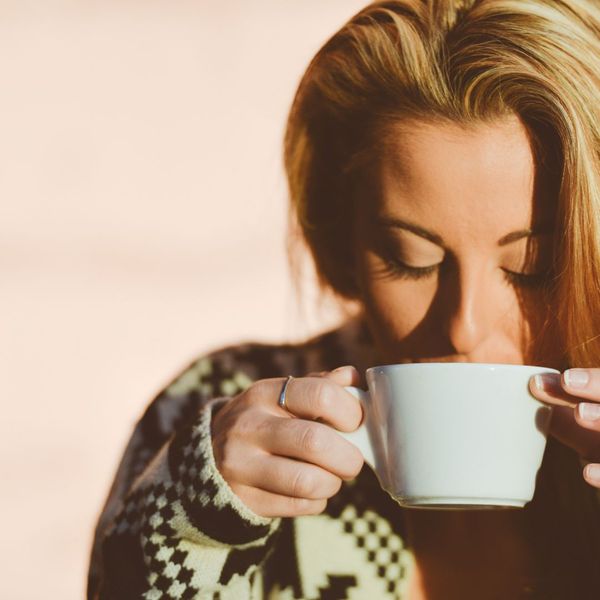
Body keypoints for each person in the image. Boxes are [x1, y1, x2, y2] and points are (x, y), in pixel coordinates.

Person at [87, 0, 600, 598]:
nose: (464, 326)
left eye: (531, 267)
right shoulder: (218, 406)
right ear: (345, 242)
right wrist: (195, 526)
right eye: (414, 260)